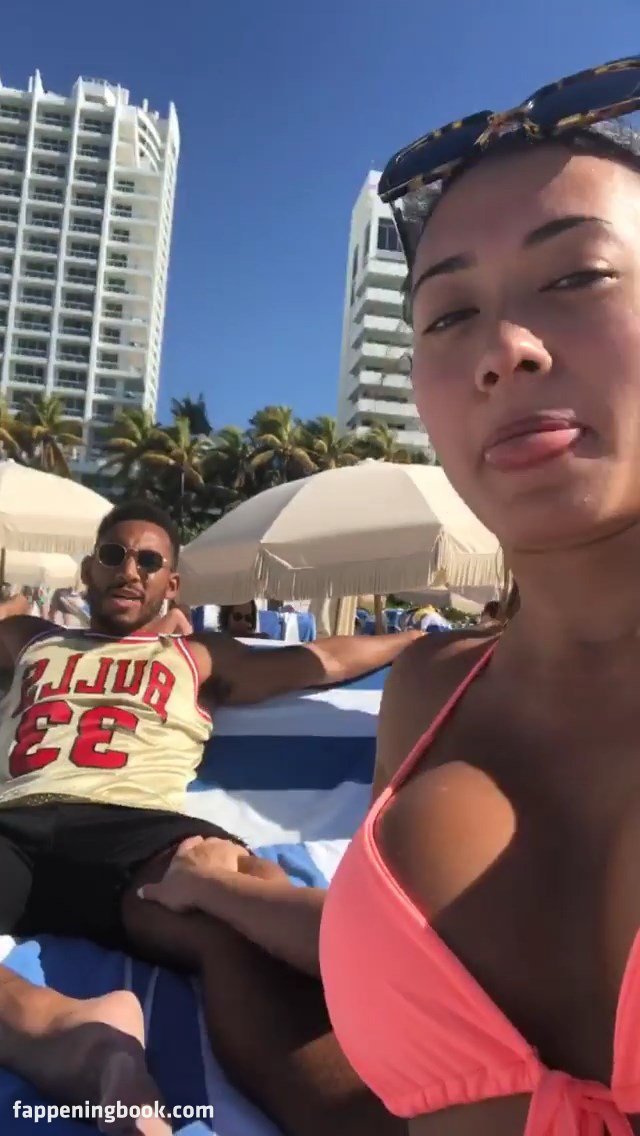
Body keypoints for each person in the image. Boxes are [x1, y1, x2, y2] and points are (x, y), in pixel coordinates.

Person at [150, 58, 640, 1136]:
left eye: (576, 278)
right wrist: (226, 897)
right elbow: (413, 985)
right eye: (448, 312)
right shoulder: (430, 691)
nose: (502, 349)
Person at [0, 497, 419, 1136]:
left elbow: (326, 660)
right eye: (114, 555)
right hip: (16, 821)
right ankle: (74, 1040)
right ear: (89, 570)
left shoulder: (196, 657)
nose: (129, 571)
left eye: (148, 562)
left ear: (171, 584)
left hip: (131, 825)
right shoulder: (32, 639)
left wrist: (414, 641)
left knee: (232, 923)